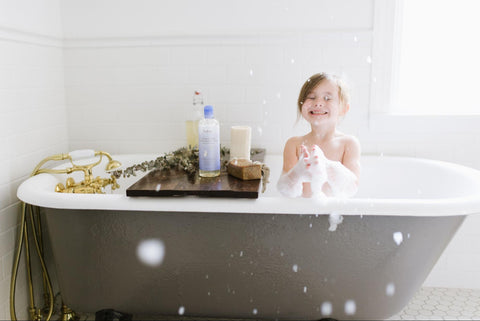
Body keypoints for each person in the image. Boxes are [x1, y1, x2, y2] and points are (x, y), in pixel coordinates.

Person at [277, 73, 361, 198]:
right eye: (311, 97)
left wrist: (326, 165)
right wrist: (298, 172)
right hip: (301, 214)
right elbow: (286, 190)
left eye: (327, 98)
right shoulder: (294, 144)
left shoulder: (348, 144)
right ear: (301, 105)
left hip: (334, 214)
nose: (318, 103)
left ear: (343, 109)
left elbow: (351, 188)